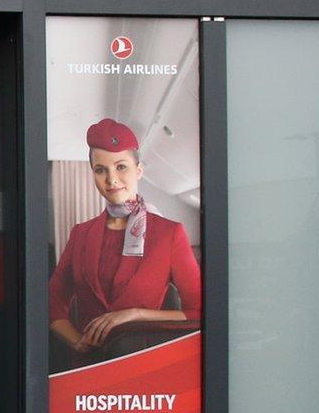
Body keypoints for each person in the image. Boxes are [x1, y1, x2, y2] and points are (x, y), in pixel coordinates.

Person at [48, 118, 203, 365]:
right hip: (87, 368)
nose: (111, 179)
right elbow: (52, 300)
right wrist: (76, 341)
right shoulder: (81, 234)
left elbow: (201, 310)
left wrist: (134, 315)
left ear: (138, 170)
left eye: (121, 167)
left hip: (144, 366)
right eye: (101, 170)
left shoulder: (169, 234)